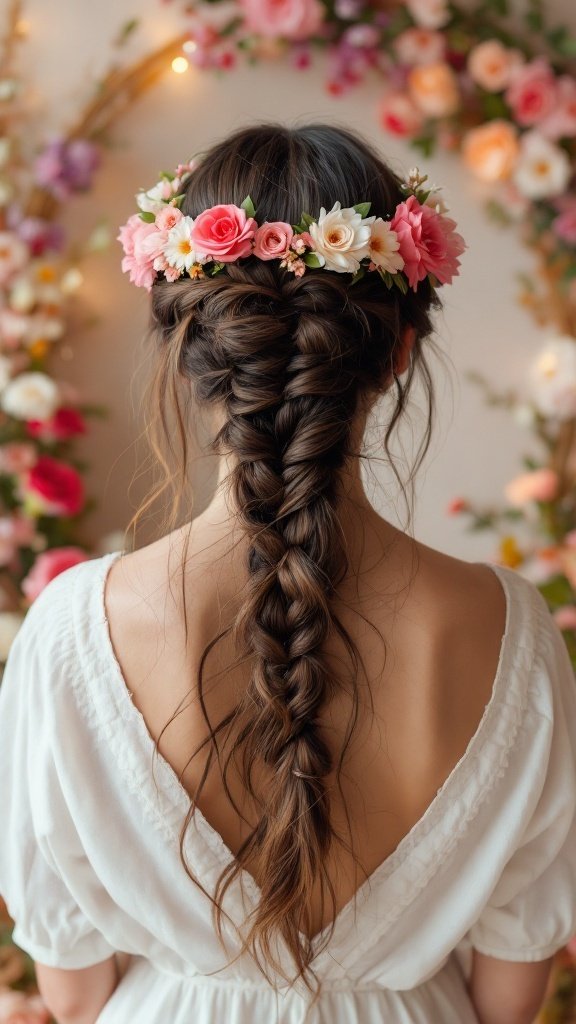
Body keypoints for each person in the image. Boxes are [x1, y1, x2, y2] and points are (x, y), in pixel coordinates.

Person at [0, 123, 574, 1024]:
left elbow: (71, 987)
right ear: (397, 355)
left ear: (196, 358)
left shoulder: (72, 629)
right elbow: (514, 988)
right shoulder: (510, 629)